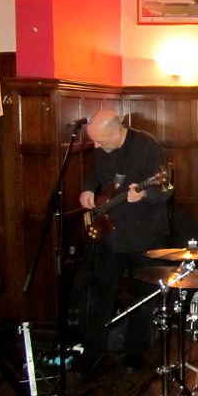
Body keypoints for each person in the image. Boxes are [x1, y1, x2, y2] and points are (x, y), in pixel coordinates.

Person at [75, 109, 173, 376]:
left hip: (143, 235)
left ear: (117, 132)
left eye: (100, 141)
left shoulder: (147, 147)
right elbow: (96, 174)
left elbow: (166, 189)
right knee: (97, 296)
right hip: (109, 233)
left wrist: (143, 196)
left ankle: (135, 353)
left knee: (142, 298)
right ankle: (93, 353)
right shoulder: (102, 147)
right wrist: (87, 188)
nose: (96, 146)